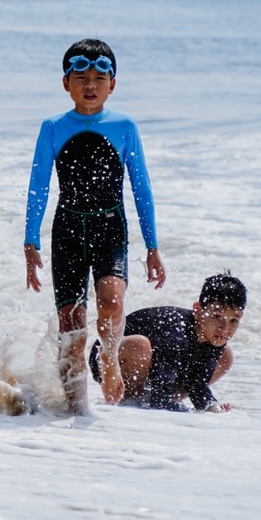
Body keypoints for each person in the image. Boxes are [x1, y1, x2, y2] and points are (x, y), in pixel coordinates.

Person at [23, 38, 166, 413]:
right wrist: (29, 241)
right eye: (81, 77)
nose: (90, 85)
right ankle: (76, 411)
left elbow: (142, 188)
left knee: (110, 302)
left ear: (112, 84)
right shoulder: (52, 127)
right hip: (68, 231)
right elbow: (38, 186)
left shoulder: (125, 127)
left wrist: (152, 247)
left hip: (110, 230)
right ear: (66, 82)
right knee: (71, 329)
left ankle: (109, 358)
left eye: (99, 79)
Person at [89, 272, 247, 412]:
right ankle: (128, 401)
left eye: (234, 320)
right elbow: (162, 385)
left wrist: (211, 406)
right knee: (140, 345)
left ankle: (157, 403)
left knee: (227, 355)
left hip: (160, 369)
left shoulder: (215, 337)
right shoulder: (176, 332)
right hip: (107, 360)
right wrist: (179, 411)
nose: (224, 328)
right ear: (198, 311)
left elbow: (197, 383)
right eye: (217, 316)